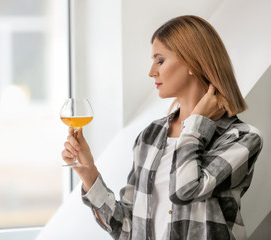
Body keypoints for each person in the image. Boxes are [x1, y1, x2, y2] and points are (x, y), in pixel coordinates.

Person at [61, 15, 263, 240]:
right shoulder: (150, 136)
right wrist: (88, 173)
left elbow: (185, 190)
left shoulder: (241, 138)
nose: (151, 72)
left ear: (191, 62)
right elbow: (126, 227)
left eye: (160, 60)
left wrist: (194, 124)